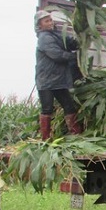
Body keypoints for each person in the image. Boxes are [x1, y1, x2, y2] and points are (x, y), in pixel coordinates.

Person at [34, 10, 82, 140]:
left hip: (58, 80)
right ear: (40, 25)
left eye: (50, 20)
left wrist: (79, 39)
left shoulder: (56, 34)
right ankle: (45, 139)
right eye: (46, 21)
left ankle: (75, 134)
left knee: (69, 106)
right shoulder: (44, 38)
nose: (50, 22)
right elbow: (56, 54)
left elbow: (68, 42)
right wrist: (73, 56)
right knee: (47, 109)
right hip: (46, 82)